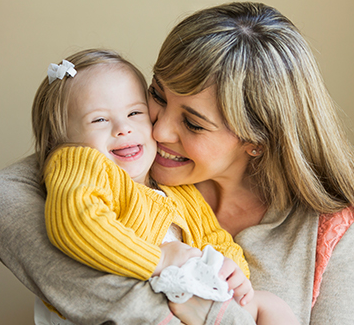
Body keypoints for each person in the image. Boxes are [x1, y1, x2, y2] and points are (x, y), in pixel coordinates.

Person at [0, 1, 353, 325]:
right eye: (157, 95)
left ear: (256, 141)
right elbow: (2, 198)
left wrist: (217, 305)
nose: (159, 129)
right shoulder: (122, 160)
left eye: (193, 123)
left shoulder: (332, 234)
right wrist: (187, 305)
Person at [35, 48, 298, 325]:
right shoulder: (81, 163)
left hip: (189, 293)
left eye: (136, 112)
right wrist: (159, 259)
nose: (124, 129)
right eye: (99, 120)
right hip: (129, 303)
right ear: (60, 139)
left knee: (270, 306)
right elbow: (78, 224)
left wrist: (232, 269)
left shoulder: (176, 188)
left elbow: (212, 235)